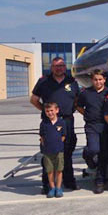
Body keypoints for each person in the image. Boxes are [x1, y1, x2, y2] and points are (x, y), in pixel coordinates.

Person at [31, 57, 80, 192]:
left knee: (67, 153)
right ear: (51, 67)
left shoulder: (72, 81)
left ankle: (69, 182)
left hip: (67, 122)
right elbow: (34, 99)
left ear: (66, 67)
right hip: (49, 123)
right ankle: (47, 185)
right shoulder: (44, 81)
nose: (59, 68)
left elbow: (76, 100)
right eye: (56, 66)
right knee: (49, 154)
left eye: (62, 65)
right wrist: (46, 111)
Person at [75, 69, 108, 194]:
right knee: (93, 149)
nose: (98, 82)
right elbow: (79, 106)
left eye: (100, 79)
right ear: (92, 80)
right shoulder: (86, 93)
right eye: (96, 79)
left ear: (104, 80)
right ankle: (87, 155)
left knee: (103, 154)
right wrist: (87, 114)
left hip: (106, 125)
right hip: (92, 125)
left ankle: (100, 181)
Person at [39, 102, 66, 198]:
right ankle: (52, 187)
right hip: (47, 151)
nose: (50, 113)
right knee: (49, 171)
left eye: (52, 110)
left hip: (58, 150)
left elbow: (63, 136)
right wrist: (45, 146)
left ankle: (58, 188)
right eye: (47, 111)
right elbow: (42, 136)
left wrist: (58, 145)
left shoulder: (61, 122)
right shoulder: (44, 124)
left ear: (57, 110)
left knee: (59, 170)